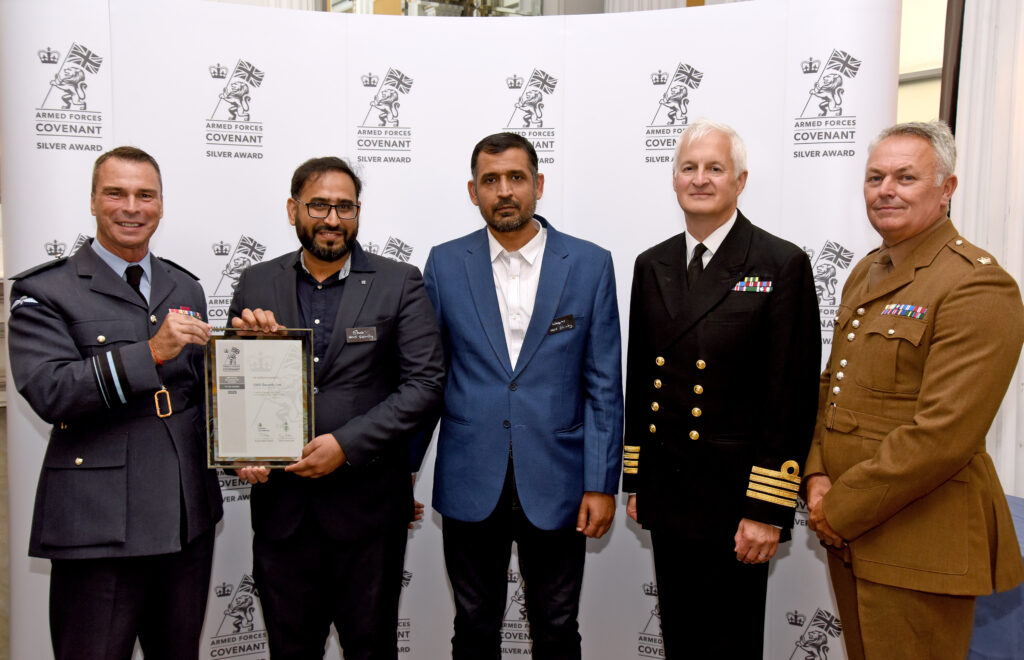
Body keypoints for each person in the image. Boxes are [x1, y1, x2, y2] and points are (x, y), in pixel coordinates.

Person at [804, 121, 1024, 659]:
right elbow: (832, 388)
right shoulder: (868, 270)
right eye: (875, 177)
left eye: (906, 177)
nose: (886, 190)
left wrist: (840, 508)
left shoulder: (977, 283)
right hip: (851, 531)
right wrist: (816, 474)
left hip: (918, 540)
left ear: (947, 189)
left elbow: (943, 434)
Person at [7, 146, 223, 660]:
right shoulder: (46, 290)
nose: (131, 207)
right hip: (98, 522)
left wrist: (248, 446)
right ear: (92, 201)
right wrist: (150, 352)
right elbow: (51, 391)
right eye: (116, 193)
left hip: (185, 517)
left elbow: (200, 394)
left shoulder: (185, 285)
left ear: (161, 205)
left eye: (145, 195)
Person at [229, 156, 445, 660]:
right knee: (290, 651)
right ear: (293, 210)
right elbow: (232, 382)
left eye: (345, 207)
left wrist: (346, 445)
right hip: (282, 515)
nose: (332, 219)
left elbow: (425, 384)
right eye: (319, 205)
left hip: (369, 515)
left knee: (371, 649)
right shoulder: (257, 282)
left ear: (358, 212)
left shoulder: (399, 281)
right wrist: (243, 448)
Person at [418, 132, 623, 660]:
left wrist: (601, 483)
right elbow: (427, 379)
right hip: (469, 478)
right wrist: (403, 470)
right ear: (473, 191)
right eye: (490, 180)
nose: (504, 190)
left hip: (559, 481)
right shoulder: (444, 263)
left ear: (539, 184)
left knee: (557, 628)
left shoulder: (589, 263)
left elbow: (603, 386)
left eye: (516, 177)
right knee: (473, 627)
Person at [622, 118, 820, 658]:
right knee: (681, 640)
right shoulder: (652, 264)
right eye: (689, 167)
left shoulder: (780, 263)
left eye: (715, 168)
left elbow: (791, 395)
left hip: (737, 502)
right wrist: (637, 480)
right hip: (669, 491)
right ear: (674, 179)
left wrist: (767, 509)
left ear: (740, 181)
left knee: (729, 645)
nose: (700, 179)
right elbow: (640, 378)